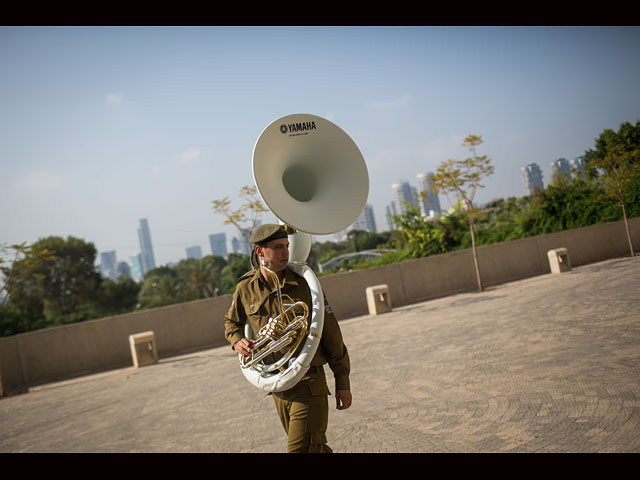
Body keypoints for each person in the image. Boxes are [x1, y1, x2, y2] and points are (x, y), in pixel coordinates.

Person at [224, 224, 351, 453]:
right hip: (278, 386)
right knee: (315, 450)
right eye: (278, 248)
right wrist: (237, 341)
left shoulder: (306, 284)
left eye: (286, 246)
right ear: (260, 252)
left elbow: (331, 333)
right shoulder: (245, 287)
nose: (285, 253)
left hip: (309, 382)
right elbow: (231, 323)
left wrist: (342, 380)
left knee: (299, 451)